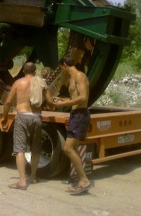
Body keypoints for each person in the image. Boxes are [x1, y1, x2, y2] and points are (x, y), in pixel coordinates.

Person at [2, 62, 53, 190]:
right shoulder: (40, 83)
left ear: (23, 71)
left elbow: (8, 102)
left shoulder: (18, 83)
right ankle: (34, 177)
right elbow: (50, 101)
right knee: (35, 149)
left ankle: (22, 181)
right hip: (36, 117)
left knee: (20, 149)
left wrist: (4, 117)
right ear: (35, 72)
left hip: (22, 116)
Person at [54, 55, 92, 194]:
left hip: (80, 114)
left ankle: (84, 180)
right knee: (73, 149)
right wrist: (62, 99)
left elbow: (83, 97)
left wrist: (63, 104)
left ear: (64, 65)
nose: (62, 71)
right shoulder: (73, 78)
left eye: (61, 68)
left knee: (67, 148)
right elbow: (75, 97)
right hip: (75, 114)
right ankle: (79, 181)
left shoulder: (79, 76)